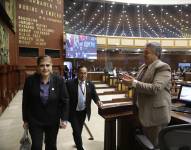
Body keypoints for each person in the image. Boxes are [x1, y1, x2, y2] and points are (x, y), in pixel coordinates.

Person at [120, 42, 171, 147]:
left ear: (156, 54)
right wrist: (131, 81)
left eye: (146, 53)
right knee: (146, 145)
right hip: (142, 113)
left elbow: (155, 88)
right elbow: (139, 84)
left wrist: (134, 82)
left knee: (155, 145)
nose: (144, 55)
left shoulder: (163, 67)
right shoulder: (143, 67)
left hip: (155, 117)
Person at [22, 55, 69, 150]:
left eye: (48, 65)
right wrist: (25, 120)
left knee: (51, 146)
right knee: (36, 146)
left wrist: (64, 119)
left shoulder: (59, 80)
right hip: (35, 120)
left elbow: (65, 101)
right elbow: (26, 102)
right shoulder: (30, 81)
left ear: (52, 66)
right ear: (38, 67)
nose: (45, 68)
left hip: (52, 120)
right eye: (42, 65)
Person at [66, 65, 102, 150]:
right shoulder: (70, 83)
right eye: (81, 73)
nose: (83, 75)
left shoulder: (90, 84)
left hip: (83, 111)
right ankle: (80, 147)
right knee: (76, 130)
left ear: (87, 74)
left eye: (85, 73)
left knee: (79, 129)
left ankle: (77, 140)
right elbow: (65, 98)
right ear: (77, 73)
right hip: (73, 112)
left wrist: (98, 101)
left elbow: (94, 95)